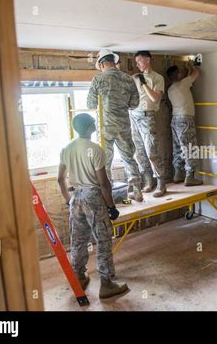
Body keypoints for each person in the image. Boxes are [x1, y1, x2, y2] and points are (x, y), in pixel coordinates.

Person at [58, 113, 129, 299]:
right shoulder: (96, 149)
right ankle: (106, 284)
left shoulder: (66, 149)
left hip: (76, 198)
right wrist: (111, 207)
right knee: (103, 240)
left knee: (79, 240)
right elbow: (104, 183)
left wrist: (68, 200)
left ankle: (79, 277)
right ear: (90, 127)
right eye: (93, 123)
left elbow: (60, 179)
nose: (95, 125)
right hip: (93, 198)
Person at [87, 49, 143, 202]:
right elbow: (134, 104)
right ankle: (137, 191)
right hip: (123, 125)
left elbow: (91, 104)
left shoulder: (98, 80)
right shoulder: (128, 79)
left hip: (105, 127)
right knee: (129, 157)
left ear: (103, 63)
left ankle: (108, 196)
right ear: (114, 61)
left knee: (105, 161)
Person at [130, 50, 166, 197]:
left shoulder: (157, 78)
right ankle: (148, 181)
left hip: (147, 116)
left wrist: (143, 82)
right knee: (138, 152)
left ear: (148, 60)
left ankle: (161, 183)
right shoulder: (133, 78)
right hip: (133, 116)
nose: (138, 64)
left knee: (151, 151)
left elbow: (155, 98)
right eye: (136, 62)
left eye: (140, 61)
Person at [166, 61, 203, 186]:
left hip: (175, 119)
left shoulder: (170, 89)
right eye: (180, 72)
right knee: (190, 148)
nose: (182, 73)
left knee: (178, 147)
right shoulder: (183, 83)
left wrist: (186, 72)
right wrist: (191, 66)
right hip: (185, 119)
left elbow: (188, 82)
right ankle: (190, 176)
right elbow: (197, 73)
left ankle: (178, 174)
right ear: (177, 75)